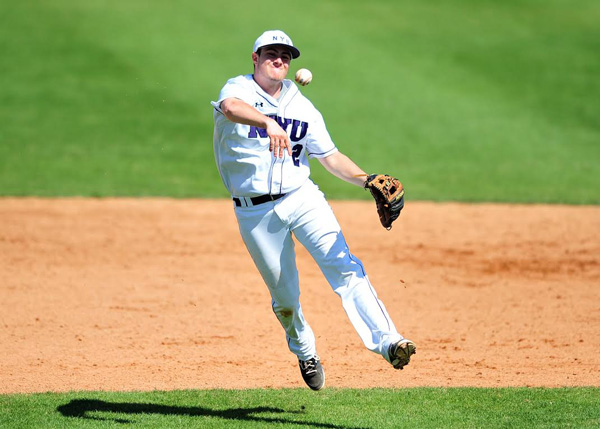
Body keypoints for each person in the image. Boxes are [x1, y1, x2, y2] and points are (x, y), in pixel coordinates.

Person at [211, 30, 416, 390]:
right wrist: (266, 121)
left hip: (302, 197)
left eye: (286, 56)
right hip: (255, 213)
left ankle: (389, 341)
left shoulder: (302, 106)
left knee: (345, 266)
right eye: (272, 53)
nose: (280, 60)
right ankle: (304, 349)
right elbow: (229, 109)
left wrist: (365, 179)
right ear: (255, 58)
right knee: (286, 300)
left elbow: (330, 157)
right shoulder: (238, 89)